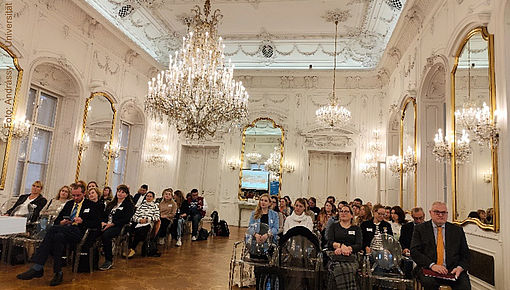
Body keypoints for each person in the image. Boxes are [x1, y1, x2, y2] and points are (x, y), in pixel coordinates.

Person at [16, 182, 100, 286]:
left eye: (78, 195)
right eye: (73, 195)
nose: (75, 197)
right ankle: (58, 273)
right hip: (64, 231)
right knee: (57, 237)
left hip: (79, 232)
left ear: (84, 194)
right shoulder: (69, 204)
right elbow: (58, 220)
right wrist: (62, 222)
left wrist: (82, 221)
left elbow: (96, 224)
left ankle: (38, 266)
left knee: (52, 229)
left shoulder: (91, 205)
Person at [411, 201, 471, 290]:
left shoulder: (457, 230)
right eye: (437, 212)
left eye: (443, 212)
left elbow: (466, 254)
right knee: (430, 284)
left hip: (452, 270)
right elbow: (414, 252)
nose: (440, 215)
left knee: (464, 286)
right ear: (430, 213)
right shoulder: (420, 229)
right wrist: (432, 265)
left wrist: (460, 267)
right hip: (429, 269)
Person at [99, 184, 135, 271]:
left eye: (123, 192)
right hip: (107, 224)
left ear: (126, 194)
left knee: (106, 235)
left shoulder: (129, 205)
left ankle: (108, 260)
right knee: (95, 231)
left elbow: (126, 219)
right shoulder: (111, 203)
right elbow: (104, 215)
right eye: (119, 191)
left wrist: (112, 224)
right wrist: (103, 222)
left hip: (120, 226)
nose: (120, 194)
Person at [326, 205, 362, 290]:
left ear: (351, 215)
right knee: (338, 268)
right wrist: (341, 247)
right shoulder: (334, 226)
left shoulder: (356, 228)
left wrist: (348, 249)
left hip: (351, 256)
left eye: (346, 211)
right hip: (335, 255)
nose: (343, 213)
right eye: (341, 211)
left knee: (349, 269)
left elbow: (359, 245)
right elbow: (329, 242)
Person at [247, 194, 279, 288]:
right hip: (256, 243)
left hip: (269, 242)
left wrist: (267, 235)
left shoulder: (274, 215)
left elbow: (276, 229)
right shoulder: (254, 213)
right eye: (261, 200)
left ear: (269, 203)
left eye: (265, 201)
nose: (263, 202)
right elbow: (250, 228)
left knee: (266, 268)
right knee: (257, 269)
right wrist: (256, 235)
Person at [128, 191, 160, 258]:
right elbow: (134, 216)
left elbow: (157, 217)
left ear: (153, 198)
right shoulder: (141, 206)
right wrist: (139, 220)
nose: (148, 197)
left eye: (150, 196)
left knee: (141, 231)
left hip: (148, 223)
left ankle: (132, 248)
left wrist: (147, 219)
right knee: (130, 230)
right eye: (147, 196)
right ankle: (131, 248)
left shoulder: (155, 206)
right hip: (139, 222)